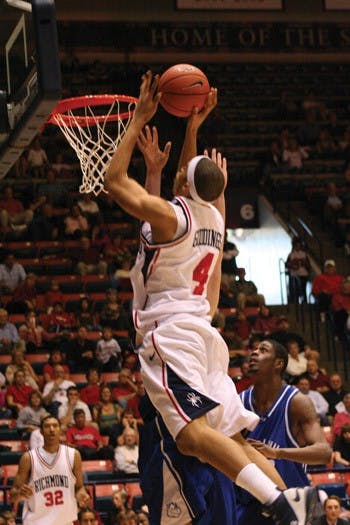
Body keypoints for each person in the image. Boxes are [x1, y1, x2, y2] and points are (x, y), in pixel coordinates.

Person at [104, 70, 318, 525]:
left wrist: (139, 117)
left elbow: (114, 181)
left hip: (173, 334)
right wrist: (193, 129)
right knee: (230, 441)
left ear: (183, 182)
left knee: (193, 437)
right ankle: (304, 508)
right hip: (204, 333)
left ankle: (280, 505)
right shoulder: (215, 217)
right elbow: (189, 180)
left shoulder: (169, 217)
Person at [237, 339, 331, 525]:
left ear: (279, 363)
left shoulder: (297, 402)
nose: (254, 353)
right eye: (254, 349)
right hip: (249, 505)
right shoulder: (240, 402)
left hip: (290, 507)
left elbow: (324, 452)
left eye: (262, 350)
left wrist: (277, 453)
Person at [10, 415, 90, 524]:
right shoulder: (28, 458)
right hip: (37, 522)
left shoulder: (73, 455)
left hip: (65, 521)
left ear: (60, 429)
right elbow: (12, 496)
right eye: (47, 426)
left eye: (55, 426)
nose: (51, 429)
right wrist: (21, 493)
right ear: (41, 431)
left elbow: (79, 488)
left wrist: (82, 495)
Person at [285, 238, 311, 303]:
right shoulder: (291, 254)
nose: (298, 247)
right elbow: (287, 265)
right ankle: (294, 303)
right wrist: (293, 265)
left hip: (303, 274)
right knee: (294, 291)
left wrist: (303, 263)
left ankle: (304, 303)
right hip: (294, 274)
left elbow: (308, 265)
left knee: (303, 290)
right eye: (296, 246)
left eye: (299, 246)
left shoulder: (304, 254)